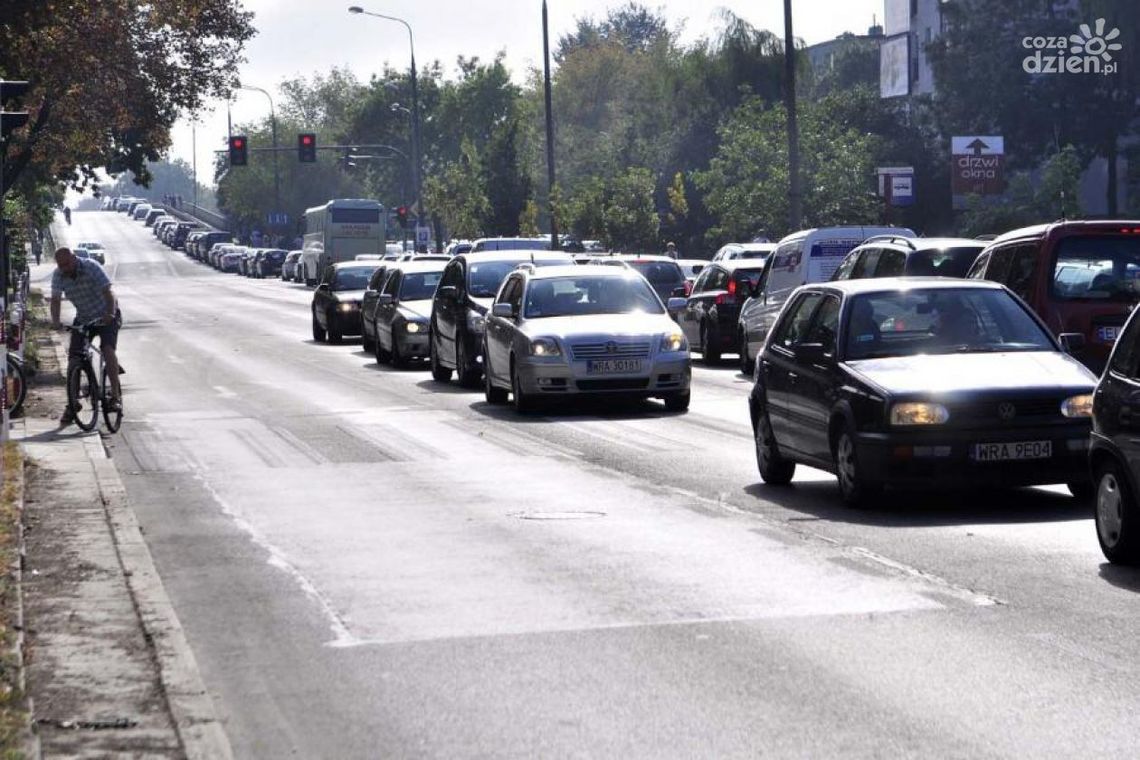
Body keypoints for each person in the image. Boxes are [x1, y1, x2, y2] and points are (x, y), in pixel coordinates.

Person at [49, 247, 122, 425]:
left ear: (74, 258)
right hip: (83, 318)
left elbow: (108, 292)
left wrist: (110, 313)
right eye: (61, 265)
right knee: (74, 358)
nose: (64, 268)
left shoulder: (91, 267)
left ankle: (115, 396)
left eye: (67, 264)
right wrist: (56, 321)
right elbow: (56, 299)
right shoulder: (58, 274)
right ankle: (72, 404)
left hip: (106, 314)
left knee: (107, 349)